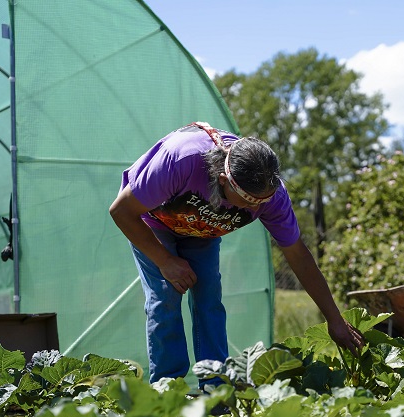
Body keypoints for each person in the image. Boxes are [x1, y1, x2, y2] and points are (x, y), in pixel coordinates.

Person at [109, 121, 364, 388]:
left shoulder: (270, 196)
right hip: (154, 221)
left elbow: (298, 255)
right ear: (223, 180)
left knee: (209, 298)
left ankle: (217, 391)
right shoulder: (181, 160)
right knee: (165, 296)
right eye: (248, 201)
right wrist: (164, 261)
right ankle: (167, 391)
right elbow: (121, 211)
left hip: (203, 229)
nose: (256, 208)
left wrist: (335, 320)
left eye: (262, 201)